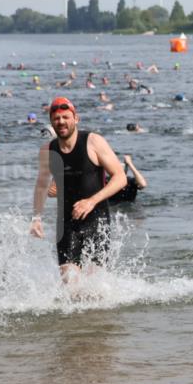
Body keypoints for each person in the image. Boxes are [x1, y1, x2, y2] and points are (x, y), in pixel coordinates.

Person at [29, 97, 126, 277]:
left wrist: (91, 201)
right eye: (56, 119)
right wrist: (36, 218)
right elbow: (41, 185)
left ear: (76, 119)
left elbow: (120, 178)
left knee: (94, 287)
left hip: (97, 220)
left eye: (66, 117)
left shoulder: (93, 141)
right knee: (69, 286)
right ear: (51, 122)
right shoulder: (47, 151)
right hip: (66, 225)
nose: (61, 122)